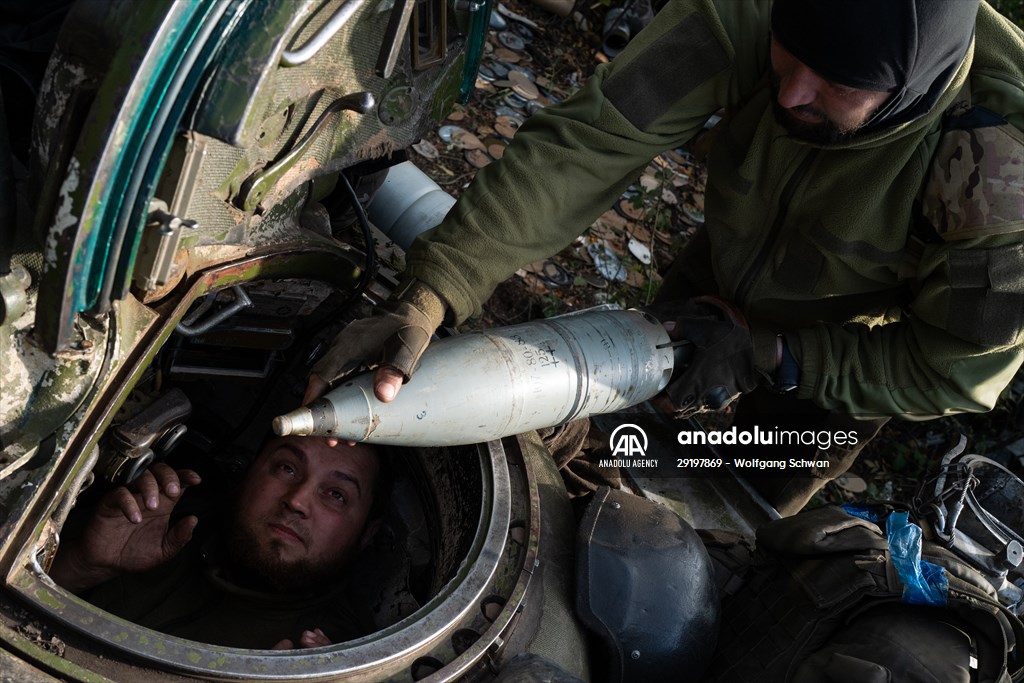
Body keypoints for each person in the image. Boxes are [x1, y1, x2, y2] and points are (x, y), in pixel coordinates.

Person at [305, 0, 1024, 514]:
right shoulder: (750, 12)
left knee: (745, 501)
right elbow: (590, 147)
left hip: (847, 361)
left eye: (837, 83)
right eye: (791, 52)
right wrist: (435, 287)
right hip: (716, 278)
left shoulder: (1001, 176)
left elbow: (951, 369)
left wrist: (771, 353)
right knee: (620, 446)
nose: (793, 90)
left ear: (912, 87)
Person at [50, 435, 387, 650]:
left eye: (336, 495)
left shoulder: (340, 654)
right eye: (286, 468)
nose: (297, 500)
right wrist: (82, 566)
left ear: (367, 535)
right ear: (249, 471)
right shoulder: (161, 520)